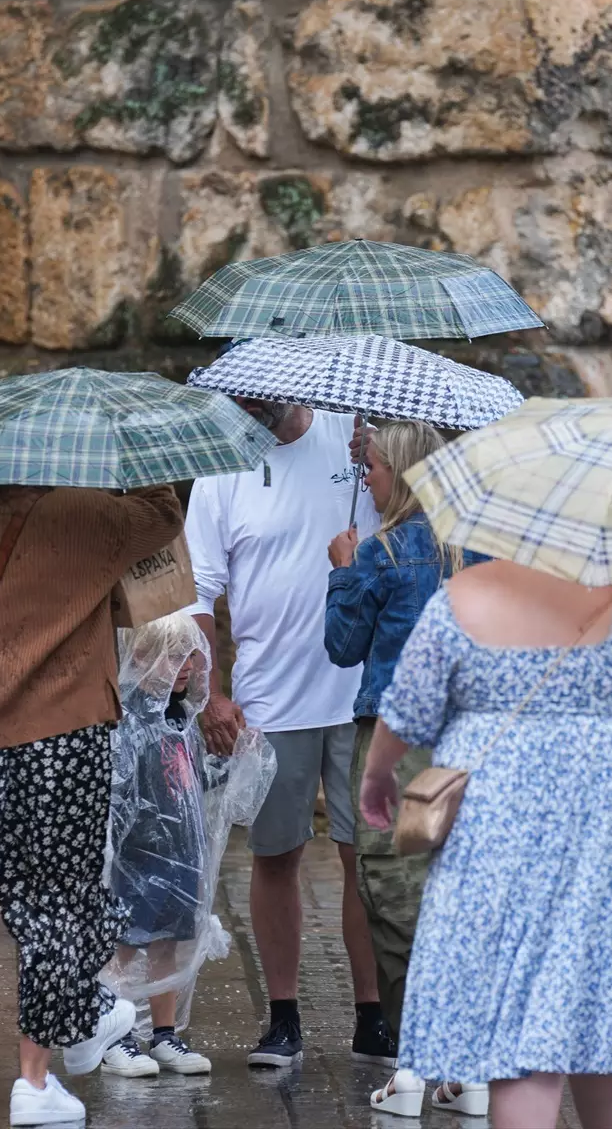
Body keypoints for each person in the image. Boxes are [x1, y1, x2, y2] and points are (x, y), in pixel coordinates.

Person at [358, 564, 612, 1129]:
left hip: (496, 811)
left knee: (517, 1022)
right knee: (604, 1008)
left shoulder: (463, 598)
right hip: (606, 816)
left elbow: (409, 706)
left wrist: (377, 775)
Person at [0, 483, 184, 1126]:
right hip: (62, 730)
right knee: (61, 902)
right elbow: (164, 519)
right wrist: (142, 467)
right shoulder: (85, 512)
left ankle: (88, 1018)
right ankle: (35, 1080)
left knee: (29, 893)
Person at [184, 400, 389, 1068]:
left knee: (366, 860)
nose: (261, 406)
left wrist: (379, 460)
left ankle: (373, 1015)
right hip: (272, 699)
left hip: (362, 693)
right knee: (277, 857)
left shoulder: (358, 443)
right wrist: (211, 693)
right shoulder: (221, 468)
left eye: (270, 395)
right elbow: (201, 592)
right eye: (249, 397)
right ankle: (283, 1016)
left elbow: (409, 531)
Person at [323, 420, 488, 1118]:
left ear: (406, 473)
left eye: (377, 467)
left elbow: (341, 646)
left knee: (393, 895)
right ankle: (470, 1069)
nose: (367, 477)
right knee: (458, 894)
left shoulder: (382, 555)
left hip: (398, 749)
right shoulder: (477, 553)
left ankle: (414, 1065)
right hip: (467, 745)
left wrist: (341, 570)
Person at [100, 614, 219, 1079]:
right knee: (125, 947)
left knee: (167, 943)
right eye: (173, 655)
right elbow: (120, 791)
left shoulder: (181, 719)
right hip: (138, 855)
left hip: (179, 856)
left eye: (190, 655)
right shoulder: (127, 718)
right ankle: (115, 1035)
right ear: (140, 657)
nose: (184, 666)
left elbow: (194, 782)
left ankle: (164, 1034)